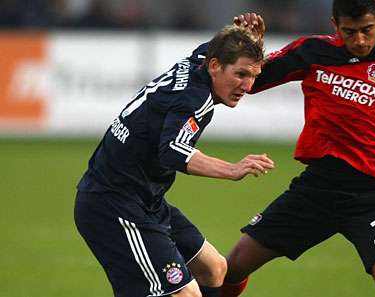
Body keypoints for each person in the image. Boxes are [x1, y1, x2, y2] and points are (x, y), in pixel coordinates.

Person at [222, 2, 375, 297]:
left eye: (367, 30)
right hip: (315, 191)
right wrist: (249, 46)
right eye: (349, 32)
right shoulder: (312, 51)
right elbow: (252, 81)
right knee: (231, 267)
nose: (359, 40)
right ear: (334, 24)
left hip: (373, 197)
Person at [74, 24, 274, 297]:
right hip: (113, 205)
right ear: (215, 66)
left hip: (146, 199)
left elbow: (215, 46)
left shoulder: (199, 62)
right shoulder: (192, 98)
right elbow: (172, 150)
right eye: (240, 74)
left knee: (213, 269)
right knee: (185, 294)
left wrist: (246, 39)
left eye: (253, 75)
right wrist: (232, 169)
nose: (247, 86)